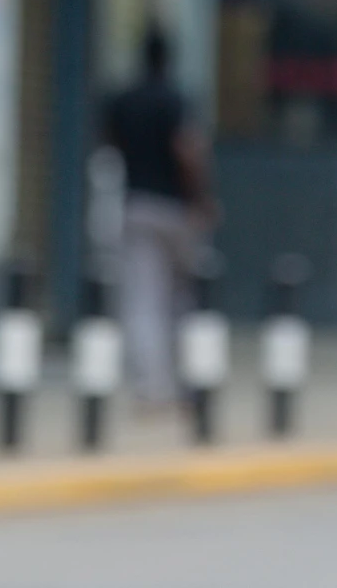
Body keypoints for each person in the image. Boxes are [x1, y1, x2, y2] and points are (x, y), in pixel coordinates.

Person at [101, 29, 215, 407]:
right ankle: (187, 380)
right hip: (175, 209)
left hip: (136, 204)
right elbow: (188, 151)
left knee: (143, 300)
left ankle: (152, 386)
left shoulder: (124, 101)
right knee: (181, 298)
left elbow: (110, 142)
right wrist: (200, 199)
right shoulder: (174, 99)